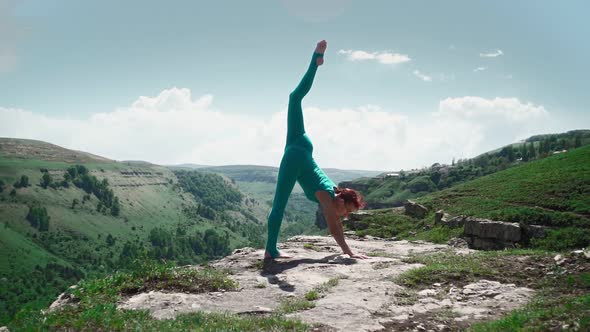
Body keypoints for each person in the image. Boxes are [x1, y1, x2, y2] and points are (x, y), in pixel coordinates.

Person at [264, 40, 369, 260]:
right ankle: (270, 251)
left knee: (295, 99)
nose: (346, 216)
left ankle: (315, 61)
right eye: (348, 210)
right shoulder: (328, 197)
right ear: (342, 202)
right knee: (278, 206)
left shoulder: (334, 192)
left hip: (300, 144)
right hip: (296, 157)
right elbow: (334, 227)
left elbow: (337, 220)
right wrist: (349, 253)